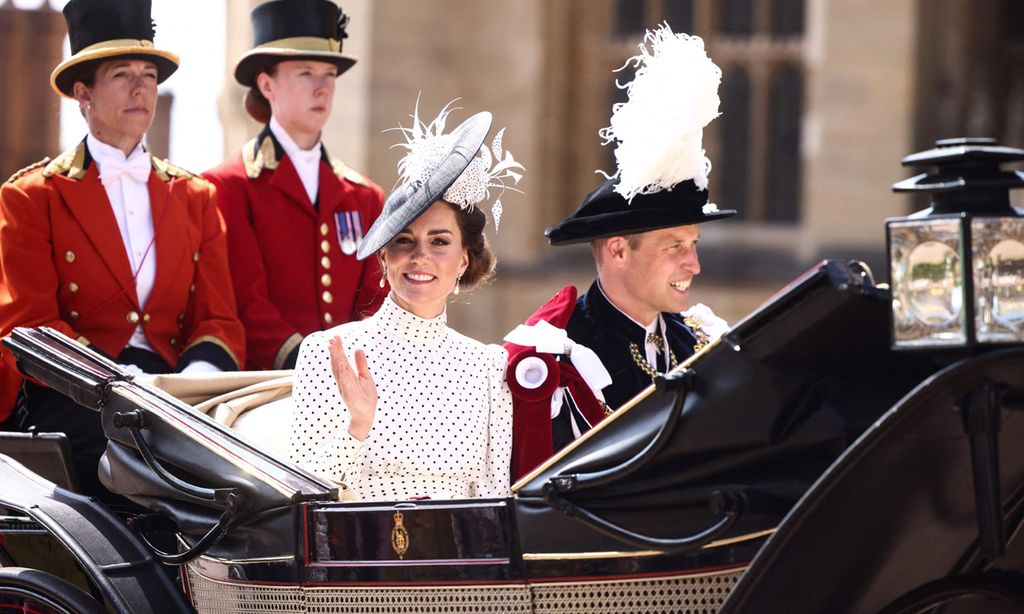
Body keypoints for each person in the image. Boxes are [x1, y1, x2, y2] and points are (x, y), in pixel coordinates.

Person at [0, 0, 245, 501]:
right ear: (82, 94)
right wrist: (116, 381)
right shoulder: (30, 196)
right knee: (125, 457)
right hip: (71, 393)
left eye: (149, 75)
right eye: (122, 74)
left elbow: (219, 320)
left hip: (174, 393)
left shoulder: (197, 198)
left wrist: (192, 383)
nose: (141, 88)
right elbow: (27, 325)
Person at [505, 25, 734, 479]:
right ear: (618, 251)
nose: (694, 264)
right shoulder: (560, 355)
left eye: (693, 245)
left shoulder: (698, 339)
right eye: (675, 246)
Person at [288, 102, 524, 501]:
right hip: (361, 555)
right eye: (403, 241)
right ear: (384, 257)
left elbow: (494, 498)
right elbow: (299, 493)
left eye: (440, 242)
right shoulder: (328, 351)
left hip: (459, 558)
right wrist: (358, 426)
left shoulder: (489, 366)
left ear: (464, 259)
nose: (421, 258)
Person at [203, 0, 386, 371]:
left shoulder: (364, 196)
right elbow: (246, 301)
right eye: (306, 73)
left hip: (357, 384)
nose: (322, 88)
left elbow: (375, 302)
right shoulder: (228, 186)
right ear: (267, 84)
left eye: (330, 75)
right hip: (268, 384)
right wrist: (312, 365)